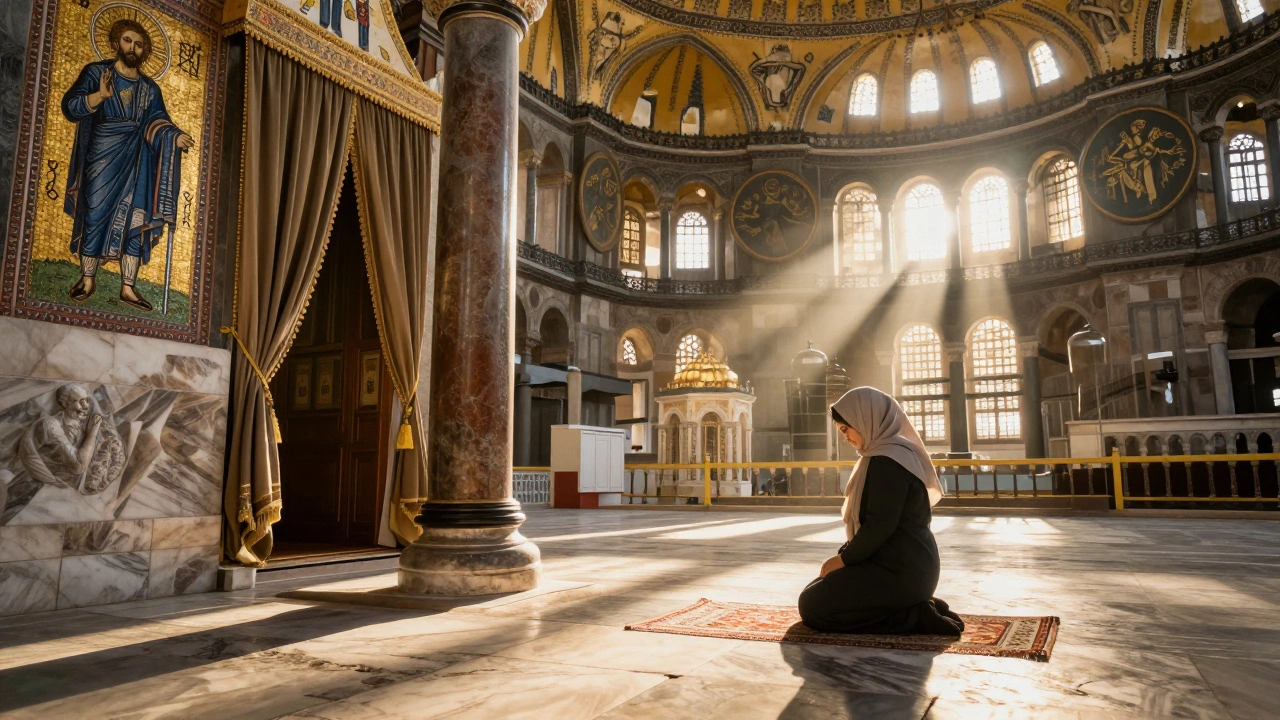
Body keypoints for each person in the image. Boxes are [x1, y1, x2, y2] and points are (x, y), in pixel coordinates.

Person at [797, 386, 964, 636]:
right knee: (816, 590)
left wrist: (843, 559)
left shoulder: (888, 462)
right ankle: (913, 605)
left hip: (901, 571)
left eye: (845, 429)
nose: (845, 437)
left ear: (866, 420)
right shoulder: (886, 456)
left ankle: (914, 616)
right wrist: (843, 558)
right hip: (897, 565)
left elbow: (879, 526)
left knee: (813, 606)